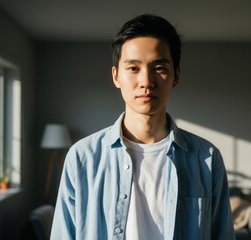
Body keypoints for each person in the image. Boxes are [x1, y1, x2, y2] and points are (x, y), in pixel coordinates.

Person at [50, 14, 235, 240]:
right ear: (116, 76)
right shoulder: (82, 157)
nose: (146, 81)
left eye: (159, 67)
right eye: (133, 68)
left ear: (176, 75)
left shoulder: (207, 158)